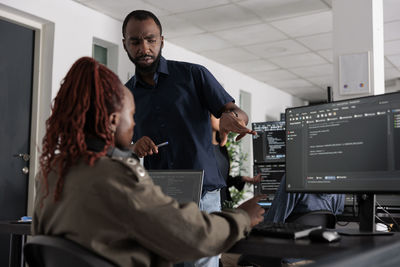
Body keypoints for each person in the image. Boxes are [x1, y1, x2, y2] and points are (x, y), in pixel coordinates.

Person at [32, 57, 265, 267]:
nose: (134, 125)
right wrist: (242, 216)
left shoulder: (50, 172)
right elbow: (191, 235)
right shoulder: (116, 176)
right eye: (132, 115)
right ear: (114, 120)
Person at [122, 10, 256, 267]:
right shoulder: (125, 94)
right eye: (135, 42)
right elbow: (120, 147)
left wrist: (233, 118)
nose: (144, 47)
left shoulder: (194, 75)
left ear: (162, 40)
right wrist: (134, 146)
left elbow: (235, 111)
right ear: (126, 44)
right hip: (159, 201)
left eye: (151, 40)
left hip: (203, 198)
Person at [210, 114, 261, 208]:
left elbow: (222, 180)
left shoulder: (221, 147)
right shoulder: (200, 150)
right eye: (216, 115)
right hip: (207, 207)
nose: (222, 119)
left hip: (223, 204)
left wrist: (244, 179)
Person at [264, 175, 345, 222]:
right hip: (319, 248)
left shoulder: (293, 179)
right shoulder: (340, 190)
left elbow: (272, 223)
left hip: (289, 246)